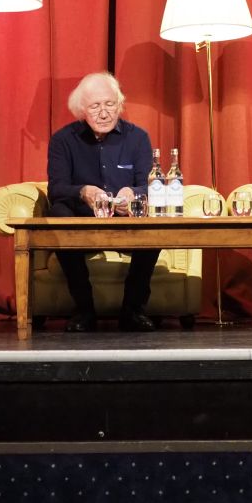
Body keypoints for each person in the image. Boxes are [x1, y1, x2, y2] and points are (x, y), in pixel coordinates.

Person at [46, 72, 159, 333]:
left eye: (110, 104)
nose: (104, 113)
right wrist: (83, 191)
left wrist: (133, 193)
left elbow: (150, 185)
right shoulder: (63, 140)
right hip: (81, 219)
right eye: (95, 106)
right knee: (58, 212)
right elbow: (56, 189)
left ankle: (133, 309)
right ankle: (84, 309)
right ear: (81, 110)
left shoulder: (138, 138)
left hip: (127, 218)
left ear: (119, 105)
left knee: (155, 220)